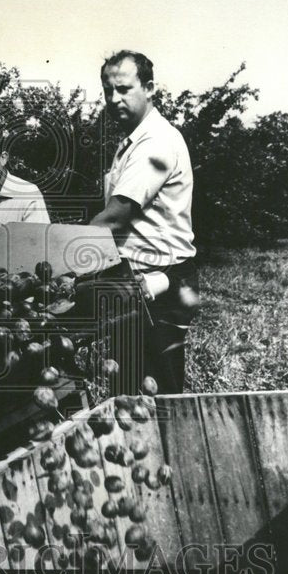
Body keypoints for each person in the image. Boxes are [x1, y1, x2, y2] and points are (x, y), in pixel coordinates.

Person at [91, 50, 198, 394]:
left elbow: (116, 217)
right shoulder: (132, 141)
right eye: (108, 91)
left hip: (161, 284)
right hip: (136, 281)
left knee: (160, 396)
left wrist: (62, 252)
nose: (113, 99)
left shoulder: (156, 140)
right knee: (130, 389)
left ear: (149, 88)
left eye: (123, 89)